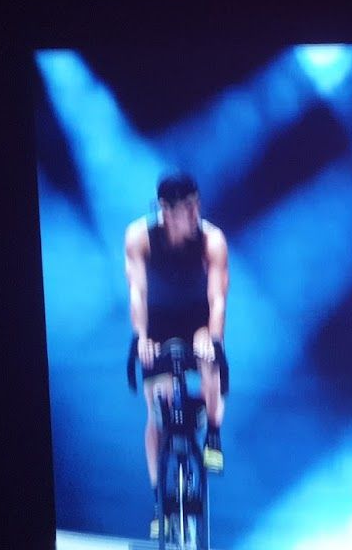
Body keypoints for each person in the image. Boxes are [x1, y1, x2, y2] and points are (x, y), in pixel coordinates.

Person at [124, 172, 229, 538]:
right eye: (178, 210)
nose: (188, 215)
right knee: (155, 408)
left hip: (197, 319)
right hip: (159, 323)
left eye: (192, 207)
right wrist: (141, 337)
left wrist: (212, 337)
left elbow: (218, 297)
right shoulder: (140, 237)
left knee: (209, 359)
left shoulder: (211, 240)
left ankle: (213, 435)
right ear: (163, 211)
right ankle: (159, 499)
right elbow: (137, 291)